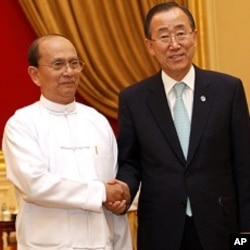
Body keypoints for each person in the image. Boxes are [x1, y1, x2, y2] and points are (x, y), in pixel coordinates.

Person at [111, 2, 250, 250]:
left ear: (194, 37)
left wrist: (245, 237)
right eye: (164, 36)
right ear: (150, 46)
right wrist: (124, 189)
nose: (174, 44)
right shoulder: (134, 99)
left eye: (180, 33)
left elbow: (245, 164)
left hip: (219, 225)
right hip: (161, 230)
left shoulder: (228, 90)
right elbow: (131, 162)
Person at [2, 34, 132, 250]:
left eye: (74, 63)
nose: (69, 72)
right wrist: (99, 193)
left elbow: (113, 190)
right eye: (58, 64)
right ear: (35, 74)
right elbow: (36, 185)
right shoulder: (22, 124)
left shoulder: (97, 121)